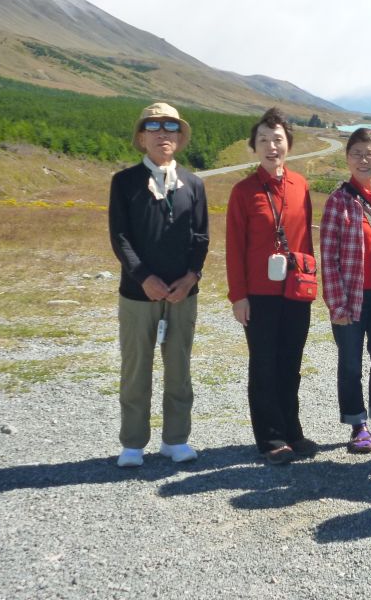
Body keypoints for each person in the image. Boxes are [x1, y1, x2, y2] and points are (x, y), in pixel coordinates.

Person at [109, 102, 208, 468]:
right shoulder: (124, 182)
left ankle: (175, 440)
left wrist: (191, 277)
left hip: (184, 295)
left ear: (180, 138)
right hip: (137, 295)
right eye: (154, 126)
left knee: (179, 370)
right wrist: (144, 278)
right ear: (141, 136)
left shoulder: (194, 184)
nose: (163, 133)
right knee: (136, 369)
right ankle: (133, 443)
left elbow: (201, 237)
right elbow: (120, 238)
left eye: (170, 126)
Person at [226, 108, 318, 465]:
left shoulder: (300, 185)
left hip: (296, 291)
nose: (271, 146)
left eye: (277, 139)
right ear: (254, 147)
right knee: (264, 364)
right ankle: (270, 437)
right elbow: (234, 247)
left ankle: (292, 430)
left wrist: (310, 281)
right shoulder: (243, 191)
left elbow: (306, 238)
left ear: (288, 145)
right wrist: (239, 296)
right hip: (260, 295)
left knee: (290, 364)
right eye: (263, 140)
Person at [320, 128, 371, 454]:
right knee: (350, 363)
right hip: (350, 298)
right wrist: (336, 305)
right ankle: (358, 425)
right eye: (356, 154)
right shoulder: (338, 201)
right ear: (347, 159)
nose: (363, 160)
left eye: (370, 153)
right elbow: (329, 258)